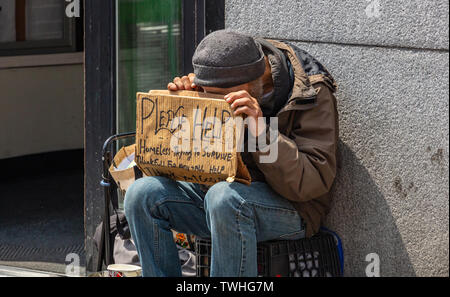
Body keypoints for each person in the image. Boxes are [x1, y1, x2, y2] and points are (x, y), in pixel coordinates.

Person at [124, 30, 339, 277]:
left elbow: (310, 183)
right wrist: (188, 102)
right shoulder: (224, 73)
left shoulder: (310, 93)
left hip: (292, 208)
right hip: (221, 193)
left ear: (257, 83)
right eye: (208, 93)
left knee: (224, 198)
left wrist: (262, 133)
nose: (219, 104)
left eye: (224, 100)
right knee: (142, 194)